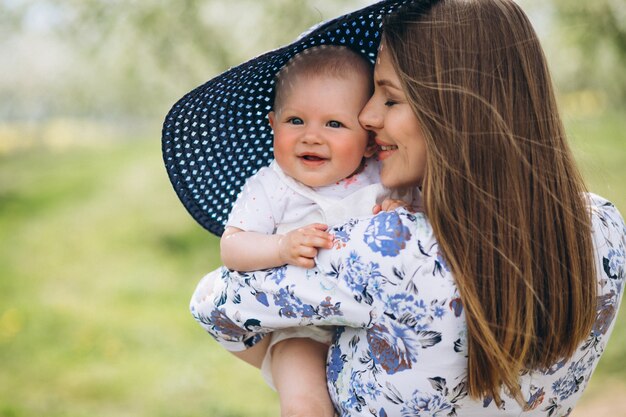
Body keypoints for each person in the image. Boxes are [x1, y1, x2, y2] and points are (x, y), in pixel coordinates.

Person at [168, 0, 625, 416]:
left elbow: (213, 304)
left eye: (389, 97)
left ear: (453, 111)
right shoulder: (603, 228)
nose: (366, 118)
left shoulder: (390, 249)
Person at [191, 45, 416, 417]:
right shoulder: (272, 186)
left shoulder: (382, 177)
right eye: (295, 120)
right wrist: (281, 247)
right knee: (305, 405)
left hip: (370, 327)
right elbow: (232, 247)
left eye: (334, 124)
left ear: (369, 139)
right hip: (301, 331)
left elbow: (417, 226)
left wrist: (399, 208)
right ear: (272, 124)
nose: (312, 136)